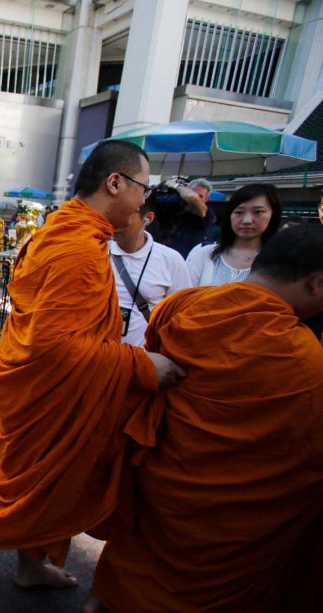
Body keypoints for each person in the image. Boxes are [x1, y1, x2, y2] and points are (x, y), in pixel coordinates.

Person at [0, 140, 185, 609]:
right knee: (30, 488)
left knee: (53, 485)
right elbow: (55, 344)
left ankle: (30, 566)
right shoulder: (78, 247)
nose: (144, 201)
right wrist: (139, 363)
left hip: (52, 388)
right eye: (142, 189)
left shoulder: (68, 230)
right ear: (115, 183)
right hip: (47, 390)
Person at [88, 225, 323, 612]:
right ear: (316, 284)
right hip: (231, 520)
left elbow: (153, 369)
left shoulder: (185, 306)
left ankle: (105, 597)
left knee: (141, 554)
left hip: (164, 479)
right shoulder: (303, 361)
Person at [110, 198, 190, 347]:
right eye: (112, 214)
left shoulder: (170, 259)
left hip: (145, 361)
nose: (114, 223)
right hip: (98, 357)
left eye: (124, 216)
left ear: (148, 218)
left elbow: (181, 314)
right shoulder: (96, 251)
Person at [185, 183, 282, 287]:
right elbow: (182, 297)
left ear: (273, 215)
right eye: (239, 212)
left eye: (258, 212)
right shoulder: (204, 253)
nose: (247, 221)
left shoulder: (281, 263)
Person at [157, 177, 215, 257]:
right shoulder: (176, 206)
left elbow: (192, 198)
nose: (196, 197)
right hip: (163, 255)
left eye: (200, 196)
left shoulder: (207, 213)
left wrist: (175, 185)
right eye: (193, 192)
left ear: (206, 199)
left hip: (186, 260)